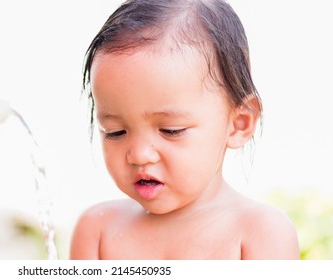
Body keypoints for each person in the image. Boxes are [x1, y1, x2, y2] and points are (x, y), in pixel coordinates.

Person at [70, 0, 299, 259]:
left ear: (239, 123)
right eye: (115, 131)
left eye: (171, 130)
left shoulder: (259, 233)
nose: (140, 154)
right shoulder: (98, 231)